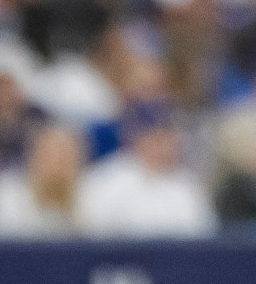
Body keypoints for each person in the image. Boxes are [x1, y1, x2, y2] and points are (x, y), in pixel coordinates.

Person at [75, 102, 216, 238]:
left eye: (169, 136)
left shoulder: (187, 185)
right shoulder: (105, 179)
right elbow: (93, 236)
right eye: (155, 137)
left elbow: (205, 236)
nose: (164, 146)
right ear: (134, 137)